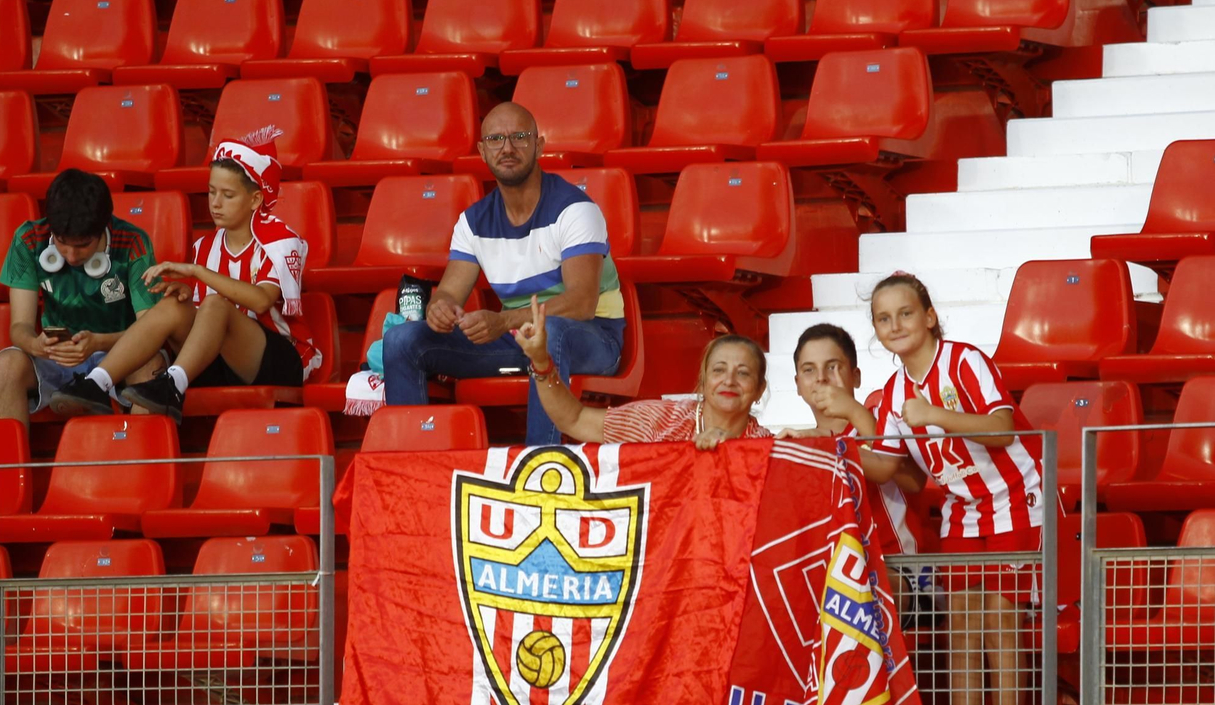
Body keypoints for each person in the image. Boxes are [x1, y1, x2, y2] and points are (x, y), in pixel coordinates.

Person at [860, 272, 1044, 705]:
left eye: (905, 313)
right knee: (961, 623)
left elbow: (1003, 429)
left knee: (999, 618)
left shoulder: (965, 361)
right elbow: (889, 467)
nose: (895, 325)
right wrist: (830, 443)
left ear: (929, 316)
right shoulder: (892, 394)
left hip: (1017, 498)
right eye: (883, 318)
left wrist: (935, 415)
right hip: (963, 507)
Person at [381, 102, 624, 445]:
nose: (507, 148)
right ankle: (411, 465)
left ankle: (538, 465)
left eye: (519, 137)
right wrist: (440, 309)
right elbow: (449, 293)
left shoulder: (575, 210)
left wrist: (504, 320)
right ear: (482, 151)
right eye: (496, 139)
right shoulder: (473, 222)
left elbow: (581, 304)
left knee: (548, 332)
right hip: (518, 339)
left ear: (539, 145)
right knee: (401, 340)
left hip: (593, 338)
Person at [50, 135, 321, 423]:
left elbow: (262, 300)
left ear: (255, 199)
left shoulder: (280, 241)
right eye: (211, 192)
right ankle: (97, 382)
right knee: (173, 305)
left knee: (215, 305)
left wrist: (197, 272)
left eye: (228, 195)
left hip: (275, 361)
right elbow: (205, 318)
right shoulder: (205, 246)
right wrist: (186, 295)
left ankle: (172, 384)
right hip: (218, 360)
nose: (216, 203)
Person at [0, 169, 160, 426]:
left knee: (151, 365)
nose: (70, 255)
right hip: (55, 356)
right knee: (6, 365)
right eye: (61, 242)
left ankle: (138, 453)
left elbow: (150, 330)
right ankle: (7, 455)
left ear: (102, 228)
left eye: (82, 245)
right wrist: (36, 345)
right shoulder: (28, 239)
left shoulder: (134, 242)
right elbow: (20, 326)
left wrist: (98, 342)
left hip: (117, 354)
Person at [513, 295, 769, 448]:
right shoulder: (659, 421)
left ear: (760, 389)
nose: (729, 380)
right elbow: (574, 420)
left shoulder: (767, 447)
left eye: (743, 373)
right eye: (719, 370)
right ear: (702, 382)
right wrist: (542, 363)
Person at [783, 323, 931, 576]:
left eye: (833, 366)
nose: (821, 378)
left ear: (856, 376)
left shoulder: (883, 418)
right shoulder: (802, 443)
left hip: (902, 568)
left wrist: (852, 412)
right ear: (797, 384)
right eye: (809, 370)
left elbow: (914, 481)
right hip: (840, 570)